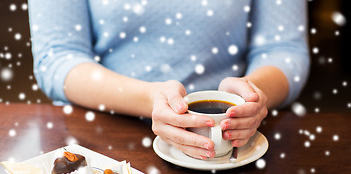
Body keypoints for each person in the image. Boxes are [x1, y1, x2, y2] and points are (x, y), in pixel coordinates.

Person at [28, 0, 310, 160]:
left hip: (233, 147)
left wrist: (252, 94)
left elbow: (285, 50)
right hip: (101, 145)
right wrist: (151, 98)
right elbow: (56, 57)